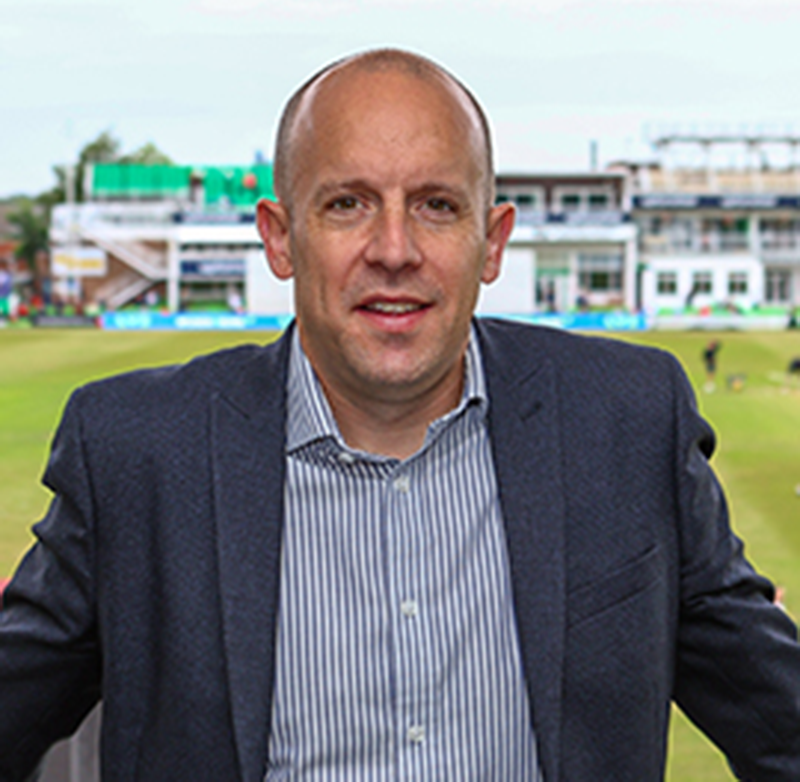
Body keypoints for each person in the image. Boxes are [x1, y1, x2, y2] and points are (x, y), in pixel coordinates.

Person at [1, 49, 799, 782]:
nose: (393, 249)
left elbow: (780, 724)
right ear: (280, 238)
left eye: (436, 206)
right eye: (348, 204)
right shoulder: (136, 453)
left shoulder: (626, 422)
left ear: (492, 241)